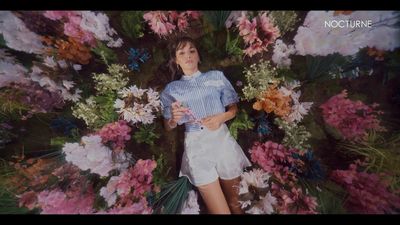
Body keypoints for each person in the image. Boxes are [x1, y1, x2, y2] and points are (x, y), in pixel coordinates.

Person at [159, 36, 251, 214]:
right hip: (197, 146)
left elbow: (233, 109)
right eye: (182, 52)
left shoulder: (216, 77)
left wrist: (221, 117)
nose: (188, 56)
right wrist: (173, 119)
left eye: (192, 50)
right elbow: (168, 126)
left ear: (198, 56)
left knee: (236, 204)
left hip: (222, 141)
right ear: (176, 60)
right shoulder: (171, 89)